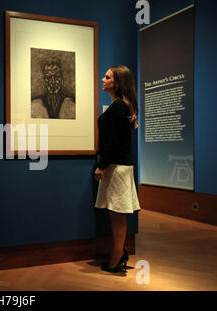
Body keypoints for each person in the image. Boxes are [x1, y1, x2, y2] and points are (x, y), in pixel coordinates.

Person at [94, 65, 141, 273]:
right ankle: (119, 253)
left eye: (108, 77)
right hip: (118, 166)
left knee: (117, 213)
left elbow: (115, 142)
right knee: (116, 213)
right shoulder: (119, 106)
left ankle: (117, 256)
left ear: (117, 82)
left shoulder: (119, 107)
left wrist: (101, 165)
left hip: (117, 167)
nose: (102, 79)